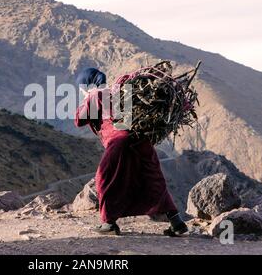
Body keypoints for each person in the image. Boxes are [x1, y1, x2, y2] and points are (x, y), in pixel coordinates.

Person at [74, 67, 188, 236]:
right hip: (141, 138)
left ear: (87, 84)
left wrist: (86, 99)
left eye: (81, 88)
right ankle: (176, 222)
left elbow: (79, 120)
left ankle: (109, 223)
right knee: (153, 180)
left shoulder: (96, 95)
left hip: (119, 141)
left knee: (105, 179)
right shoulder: (121, 91)